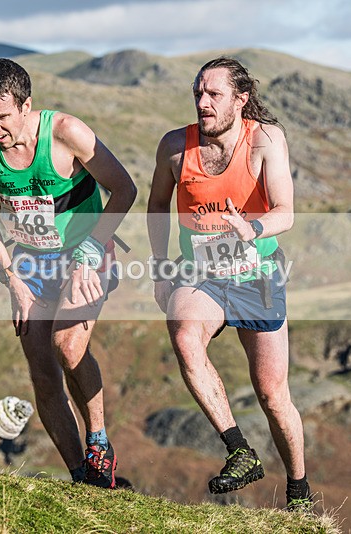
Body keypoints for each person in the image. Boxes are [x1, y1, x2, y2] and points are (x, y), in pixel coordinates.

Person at [146, 57, 312, 511]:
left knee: (273, 394)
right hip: (201, 273)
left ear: (240, 99)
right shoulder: (175, 148)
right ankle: (239, 449)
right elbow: (158, 205)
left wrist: (252, 230)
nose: (202, 102)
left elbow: (285, 211)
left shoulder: (264, 140)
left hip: (257, 274)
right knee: (184, 333)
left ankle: (299, 492)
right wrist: (161, 266)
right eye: (198, 92)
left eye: (214, 94)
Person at [0, 58, 137, 488]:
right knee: (42, 370)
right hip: (29, 261)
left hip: (86, 253)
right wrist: (11, 277)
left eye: (2, 117)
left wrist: (89, 251)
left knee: (67, 344)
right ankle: (84, 477)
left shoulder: (66, 133)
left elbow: (125, 189)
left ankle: (98, 441)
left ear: (26, 106)